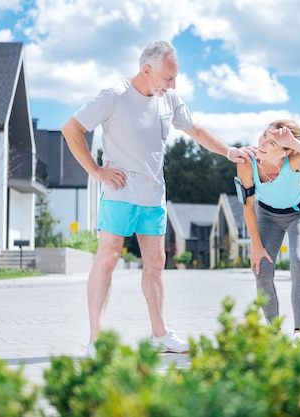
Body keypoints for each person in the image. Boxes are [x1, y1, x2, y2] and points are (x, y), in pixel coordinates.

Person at [62, 40, 249, 357]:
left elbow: (198, 131)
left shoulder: (170, 99)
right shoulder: (114, 96)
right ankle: (96, 339)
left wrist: (230, 151)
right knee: (107, 259)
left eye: (175, 77)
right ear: (147, 70)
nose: (173, 84)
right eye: (168, 77)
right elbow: (71, 129)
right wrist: (95, 171)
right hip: (119, 193)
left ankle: (160, 334)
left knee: (156, 264)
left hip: (154, 196)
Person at [234, 119, 300, 343]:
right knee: (261, 269)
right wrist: (256, 247)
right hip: (267, 216)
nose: (262, 143)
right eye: (263, 135)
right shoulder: (246, 162)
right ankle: (275, 332)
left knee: (299, 262)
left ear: (285, 151)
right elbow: (248, 206)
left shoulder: (295, 158)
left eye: (272, 142)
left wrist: (295, 144)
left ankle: (299, 332)